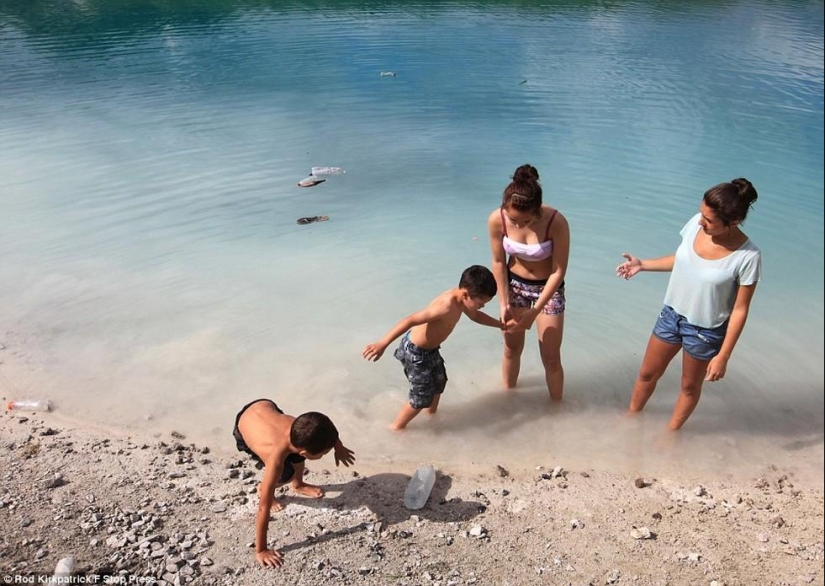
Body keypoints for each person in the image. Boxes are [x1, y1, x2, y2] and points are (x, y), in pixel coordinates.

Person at [616, 178, 761, 431]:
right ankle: (630, 420)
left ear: (734, 222)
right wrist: (643, 265)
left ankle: (670, 437)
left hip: (706, 331)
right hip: (671, 315)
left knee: (689, 387)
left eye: (709, 220)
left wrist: (723, 356)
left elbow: (740, 310)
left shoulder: (748, 256)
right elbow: (684, 260)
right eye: (702, 214)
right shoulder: (696, 225)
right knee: (647, 374)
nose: (700, 221)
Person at [362, 265, 509, 430]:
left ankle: (431, 418)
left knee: (439, 384)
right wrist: (382, 343)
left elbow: (476, 316)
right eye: (481, 303)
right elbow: (410, 320)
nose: (482, 307)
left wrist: (501, 325)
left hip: (431, 351)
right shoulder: (445, 306)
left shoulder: (462, 301)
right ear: (466, 294)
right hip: (415, 353)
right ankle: (396, 428)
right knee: (421, 397)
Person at [232, 399, 356, 568]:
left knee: (298, 455)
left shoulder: (301, 427)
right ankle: (263, 488)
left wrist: (338, 447)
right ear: (306, 452)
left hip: (264, 405)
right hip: (244, 428)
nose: (326, 453)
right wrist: (261, 550)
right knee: (285, 474)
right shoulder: (275, 456)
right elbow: (263, 508)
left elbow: (326, 430)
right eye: (324, 453)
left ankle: (298, 485)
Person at [487, 164, 570, 399]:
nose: (517, 225)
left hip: (548, 289)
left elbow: (559, 271)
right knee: (511, 349)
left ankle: (557, 409)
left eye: (523, 221)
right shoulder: (497, 219)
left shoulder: (556, 221)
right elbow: (498, 262)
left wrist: (535, 312)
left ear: (537, 211)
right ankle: (508, 397)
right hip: (514, 286)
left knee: (551, 357)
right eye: (513, 220)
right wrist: (503, 303)